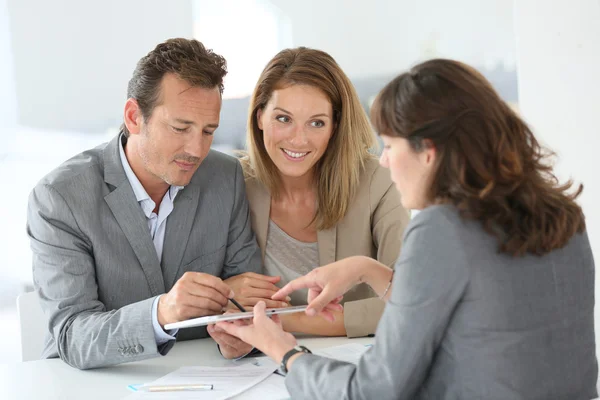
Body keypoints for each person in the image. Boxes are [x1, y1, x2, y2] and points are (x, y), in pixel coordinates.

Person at [216, 59, 598, 399]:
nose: (383, 160)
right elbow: (475, 309)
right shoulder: (561, 215)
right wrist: (368, 270)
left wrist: (286, 351)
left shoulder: (440, 228)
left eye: (389, 145)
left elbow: (371, 390)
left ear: (427, 152)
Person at [26, 38, 262, 370]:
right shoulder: (60, 198)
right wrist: (164, 311)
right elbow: (73, 336)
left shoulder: (225, 177)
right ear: (134, 117)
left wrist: (239, 338)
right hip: (93, 384)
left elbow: (250, 299)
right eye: (180, 128)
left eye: (209, 131)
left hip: (209, 378)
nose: (196, 149)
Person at [207, 47, 410, 356]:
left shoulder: (377, 182)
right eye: (283, 118)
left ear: (335, 126)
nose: (298, 139)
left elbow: (413, 303)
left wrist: (284, 321)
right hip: (260, 371)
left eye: (316, 123)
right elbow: (220, 303)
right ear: (259, 116)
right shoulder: (234, 183)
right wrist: (231, 324)